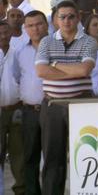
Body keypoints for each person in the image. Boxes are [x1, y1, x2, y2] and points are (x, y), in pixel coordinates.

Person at [35, 0, 98, 194]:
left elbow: (85, 69)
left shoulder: (88, 41)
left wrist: (54, 65)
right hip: (52, 106)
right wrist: (73, 70)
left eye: (71, 16)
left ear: (78, 18)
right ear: (55, 20)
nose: (67, 20)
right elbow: (40, 71)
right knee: (53, 160)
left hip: (82, 104)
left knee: (86, 156)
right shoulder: (46, 41)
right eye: (62, 17)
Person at [13, 10, 48, 195]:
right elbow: (18, 78)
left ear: (47, 24)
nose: (35, 28)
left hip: (52, 111)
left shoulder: (57, 47)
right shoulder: (20, 52)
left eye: (39, 24)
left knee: (53, 159)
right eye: (31, 25)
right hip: (30, 112)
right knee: (30, 158)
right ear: (25, 29)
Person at [0, 20, 25, 194]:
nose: (3, 36)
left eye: (5, 32)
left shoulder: (19, 53)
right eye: (0, 33)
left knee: (18, 153)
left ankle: (21, 189)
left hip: (16, 109)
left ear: (11, 33)